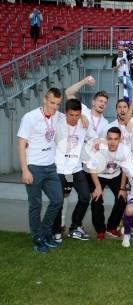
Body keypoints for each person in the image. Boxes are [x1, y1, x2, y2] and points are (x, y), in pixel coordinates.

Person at [17, 88, 64, 252]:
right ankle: (37, 237)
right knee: (35, 204)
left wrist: (85, 118)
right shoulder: (30, 117)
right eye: (52, 103)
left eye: (58, 104)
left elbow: (75, 114)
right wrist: (25, 170)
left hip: (50, 167)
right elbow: (21, 144)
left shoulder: (58, 116)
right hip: (33, 167)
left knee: (58, 200)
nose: (55, 107)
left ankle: (45, 232)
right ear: (45, 99)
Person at [83, 127, 133, 240]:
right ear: (106, 139)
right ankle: (100, 229)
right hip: (98, 174)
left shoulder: (125, 150)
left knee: (122, 199)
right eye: (110, 139)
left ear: (120, 139)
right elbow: (91, 169)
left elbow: (125, 170)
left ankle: (112, 227)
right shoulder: (98, 148)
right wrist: (98, 187)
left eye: (115, 139)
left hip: (115, 174)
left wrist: (122, 188)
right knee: (96, 198)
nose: (112, 142)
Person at [53, 99, 92, 243]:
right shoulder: (58, 122)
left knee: (85, 197)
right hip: (60, 169)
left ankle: (75, 226)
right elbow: (68, 93)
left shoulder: (83, 123)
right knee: (58, 200)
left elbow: (93, 138)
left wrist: (84, 118)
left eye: (77, 115)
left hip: (75, 169)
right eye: (71, 115)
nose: (74, 118)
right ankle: (56, 230)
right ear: (65, 113)